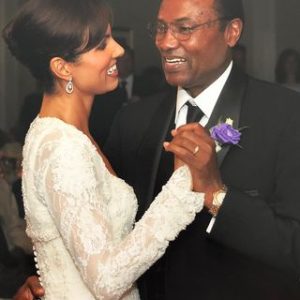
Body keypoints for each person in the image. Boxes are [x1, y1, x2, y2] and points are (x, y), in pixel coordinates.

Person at [14, 0, 300, 299]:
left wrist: (218, 196)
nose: (165, 42)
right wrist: (49, 276)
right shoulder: (133, 119)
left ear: (232, 32)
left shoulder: (285, 115)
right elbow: (91, 225)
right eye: (161, 28)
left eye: (184, 29)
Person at [3, 0, 205, 299]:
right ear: (62, 68)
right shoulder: (63, 147)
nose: (119, 51)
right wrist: (184, 185)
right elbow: (108, 280)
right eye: (101, 45)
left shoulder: (67, 134)